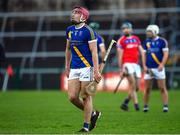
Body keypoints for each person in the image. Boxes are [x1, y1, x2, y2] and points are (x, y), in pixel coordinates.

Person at [65, 6, 102, 132]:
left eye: (76, 12)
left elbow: (94, 52)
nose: (73, 14)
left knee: (86, 96)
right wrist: (67, 66)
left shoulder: (89, 31)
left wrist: (96, 70)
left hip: (87, 67)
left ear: (83, 17)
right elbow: (68, 49)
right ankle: (93, 114)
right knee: (72, 97)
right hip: (74, 67)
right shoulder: (69, 30)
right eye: (73, 12)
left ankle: (86, 127)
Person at [116, 22, 145, 111]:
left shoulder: (136, 39)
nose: (126, 30)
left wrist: (144, 65)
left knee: (136, 88)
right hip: (127, 64)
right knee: (132, 84)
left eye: (127, 28)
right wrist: (121, 69)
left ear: (131, 29)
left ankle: (125, 103)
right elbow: (119, 56)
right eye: (124, 28)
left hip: (136, 65)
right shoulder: (121, 40)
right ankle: (136, 105)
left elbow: (142, 52)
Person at [142, 24, 169, 113]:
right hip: (149, 68)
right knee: (147, 88)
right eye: (148, 31)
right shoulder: (146, 42)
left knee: (162, 88)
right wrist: (144, 66)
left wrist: (162, 64)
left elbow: (165, 54)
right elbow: (144, 55)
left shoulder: (162, 41)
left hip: (159, 68)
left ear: (155, 32)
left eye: (150, 31)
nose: (148, 33)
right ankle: (145, 106)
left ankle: (165, 106)